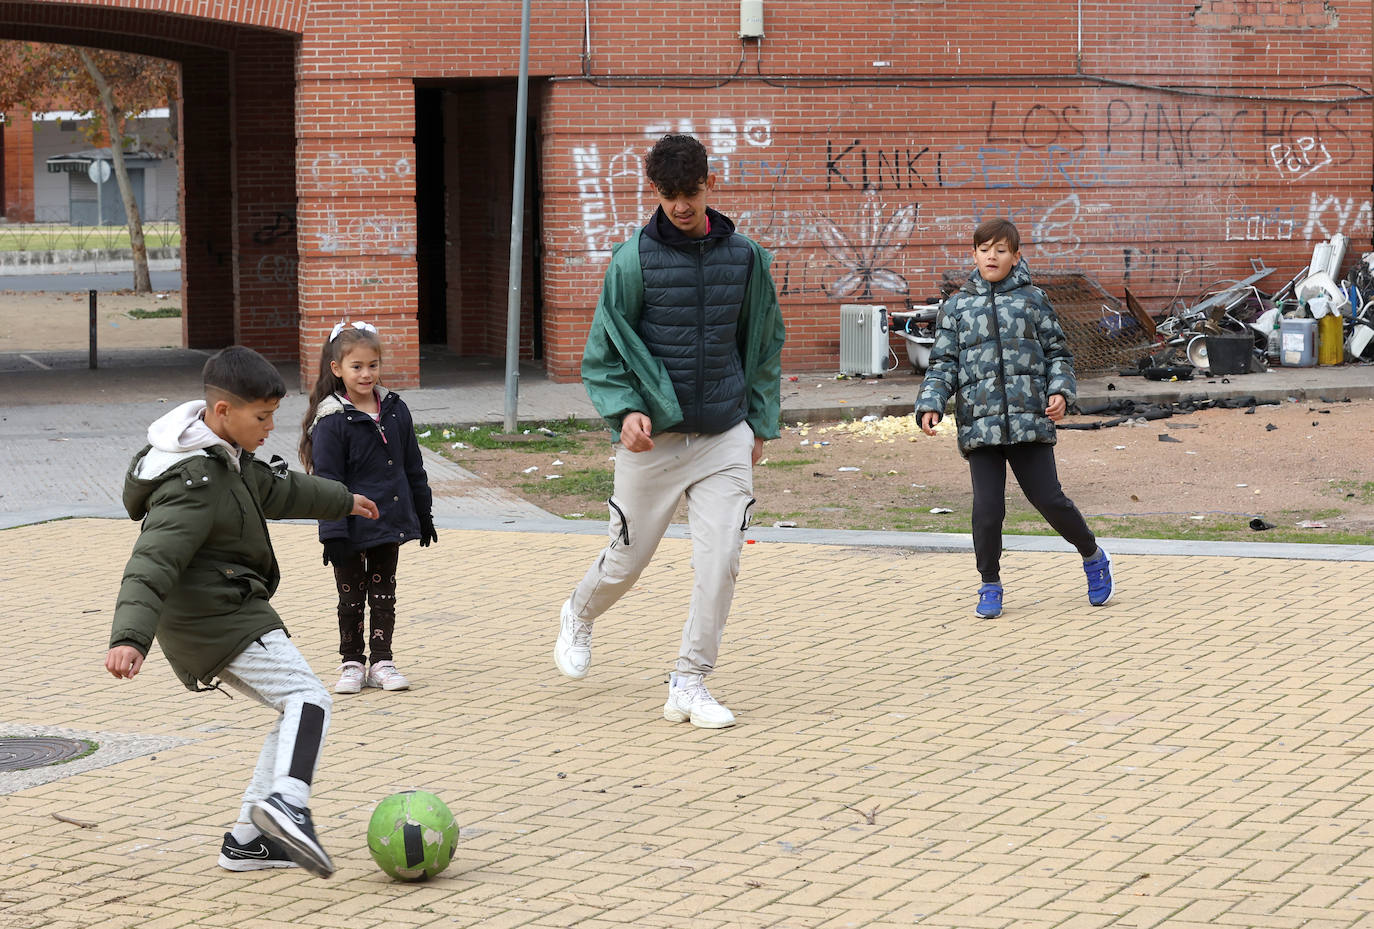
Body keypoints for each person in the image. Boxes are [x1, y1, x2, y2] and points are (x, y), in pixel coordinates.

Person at [105, 345, 380, 879]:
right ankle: (288, 805)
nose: (270, 427)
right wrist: (129, 638)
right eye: (262, 417)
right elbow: (151, 561)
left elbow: (279, 489)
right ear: (223, 411)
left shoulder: (226, 458)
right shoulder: (193, 482)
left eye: (274, 415)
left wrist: (343, 500)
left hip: (228, 605)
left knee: (295, 704)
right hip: (211, 616)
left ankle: (247, 842)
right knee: (307, 698)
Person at [553, 132, 786, 729]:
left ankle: (689, 680)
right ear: (653, 190)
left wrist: (758, 422)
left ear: (711, 184)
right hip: (654, 439)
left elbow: (762, 345)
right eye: (669, 195)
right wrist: (624, 411)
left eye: (691, 192)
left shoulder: (747, 258)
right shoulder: (631, 260)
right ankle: (579, 613)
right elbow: (605, 351)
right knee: (626, 560)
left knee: (722, 558)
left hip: (724, 434)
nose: (681, 206)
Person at [915, 218, 1113, 618]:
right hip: (980, 426)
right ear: (974, 255)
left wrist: (1060, 392)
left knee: (1049, 500)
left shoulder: (1033, 300)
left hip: (1029, 422)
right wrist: (931, 402)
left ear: (1016, 256)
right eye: (984, 249)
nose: (992, 256)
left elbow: (1058, 354)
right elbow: (943, 364)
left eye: (1001, 250)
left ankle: (1092, 555)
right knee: (988, 511)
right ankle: (989, 583)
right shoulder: (956, 307)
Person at [298, 321, 436, 695]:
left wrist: (423, 514)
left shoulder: (395, 409)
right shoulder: (332, 419)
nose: (366, 374)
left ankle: (382, 662)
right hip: (347, 527)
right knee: (350, 598)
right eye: (356, 366)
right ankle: (352, 663)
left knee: (384, 595)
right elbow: (327, 483)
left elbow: (413, 467)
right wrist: (332, 533)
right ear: (337, 369)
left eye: (372, 365)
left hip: (387, 521)